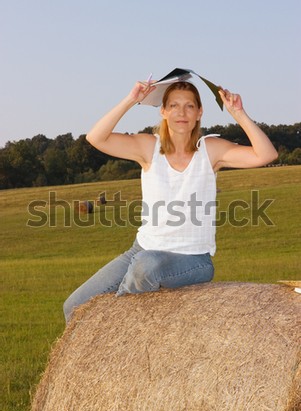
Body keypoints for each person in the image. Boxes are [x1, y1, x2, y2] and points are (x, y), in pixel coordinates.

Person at [63, 77, 278, 322]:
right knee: (74, 306)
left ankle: (119, 329)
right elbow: (96, 138)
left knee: (146, 266)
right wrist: (131, 100)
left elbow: (266, 154)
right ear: (163, 111)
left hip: (193, 259)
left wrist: (239, 114)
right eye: (174, 105)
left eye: (189, 106)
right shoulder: (147, 147)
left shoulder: (211, 150)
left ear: (199, 112)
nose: (181, 112)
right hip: (141, 249)